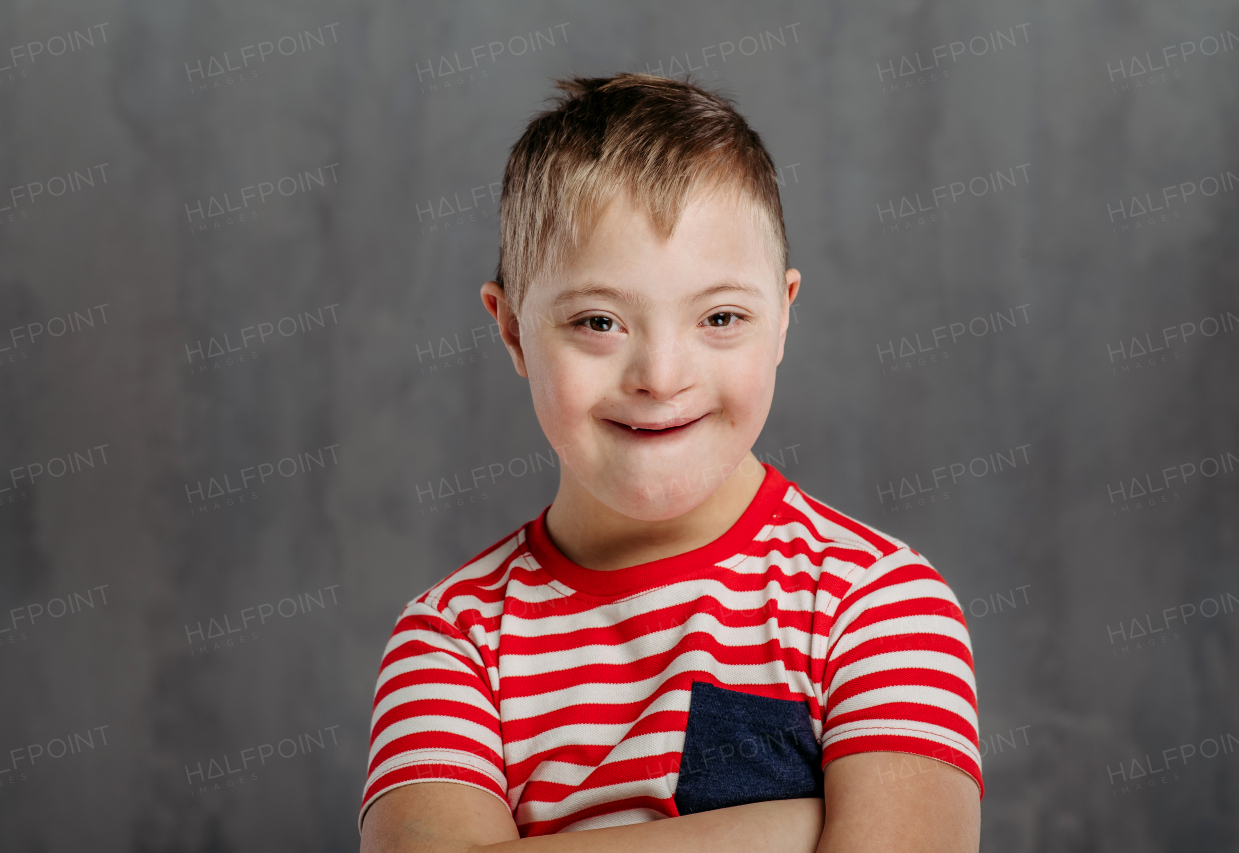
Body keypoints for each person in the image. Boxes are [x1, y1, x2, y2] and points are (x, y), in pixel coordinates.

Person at [359, 72, 981, 853]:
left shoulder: (876, 605)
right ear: (513, 329)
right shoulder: (452, 642)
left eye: (721, 316)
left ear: (783, 317)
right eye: (599, 321)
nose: (660, 374)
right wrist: (791, 828)